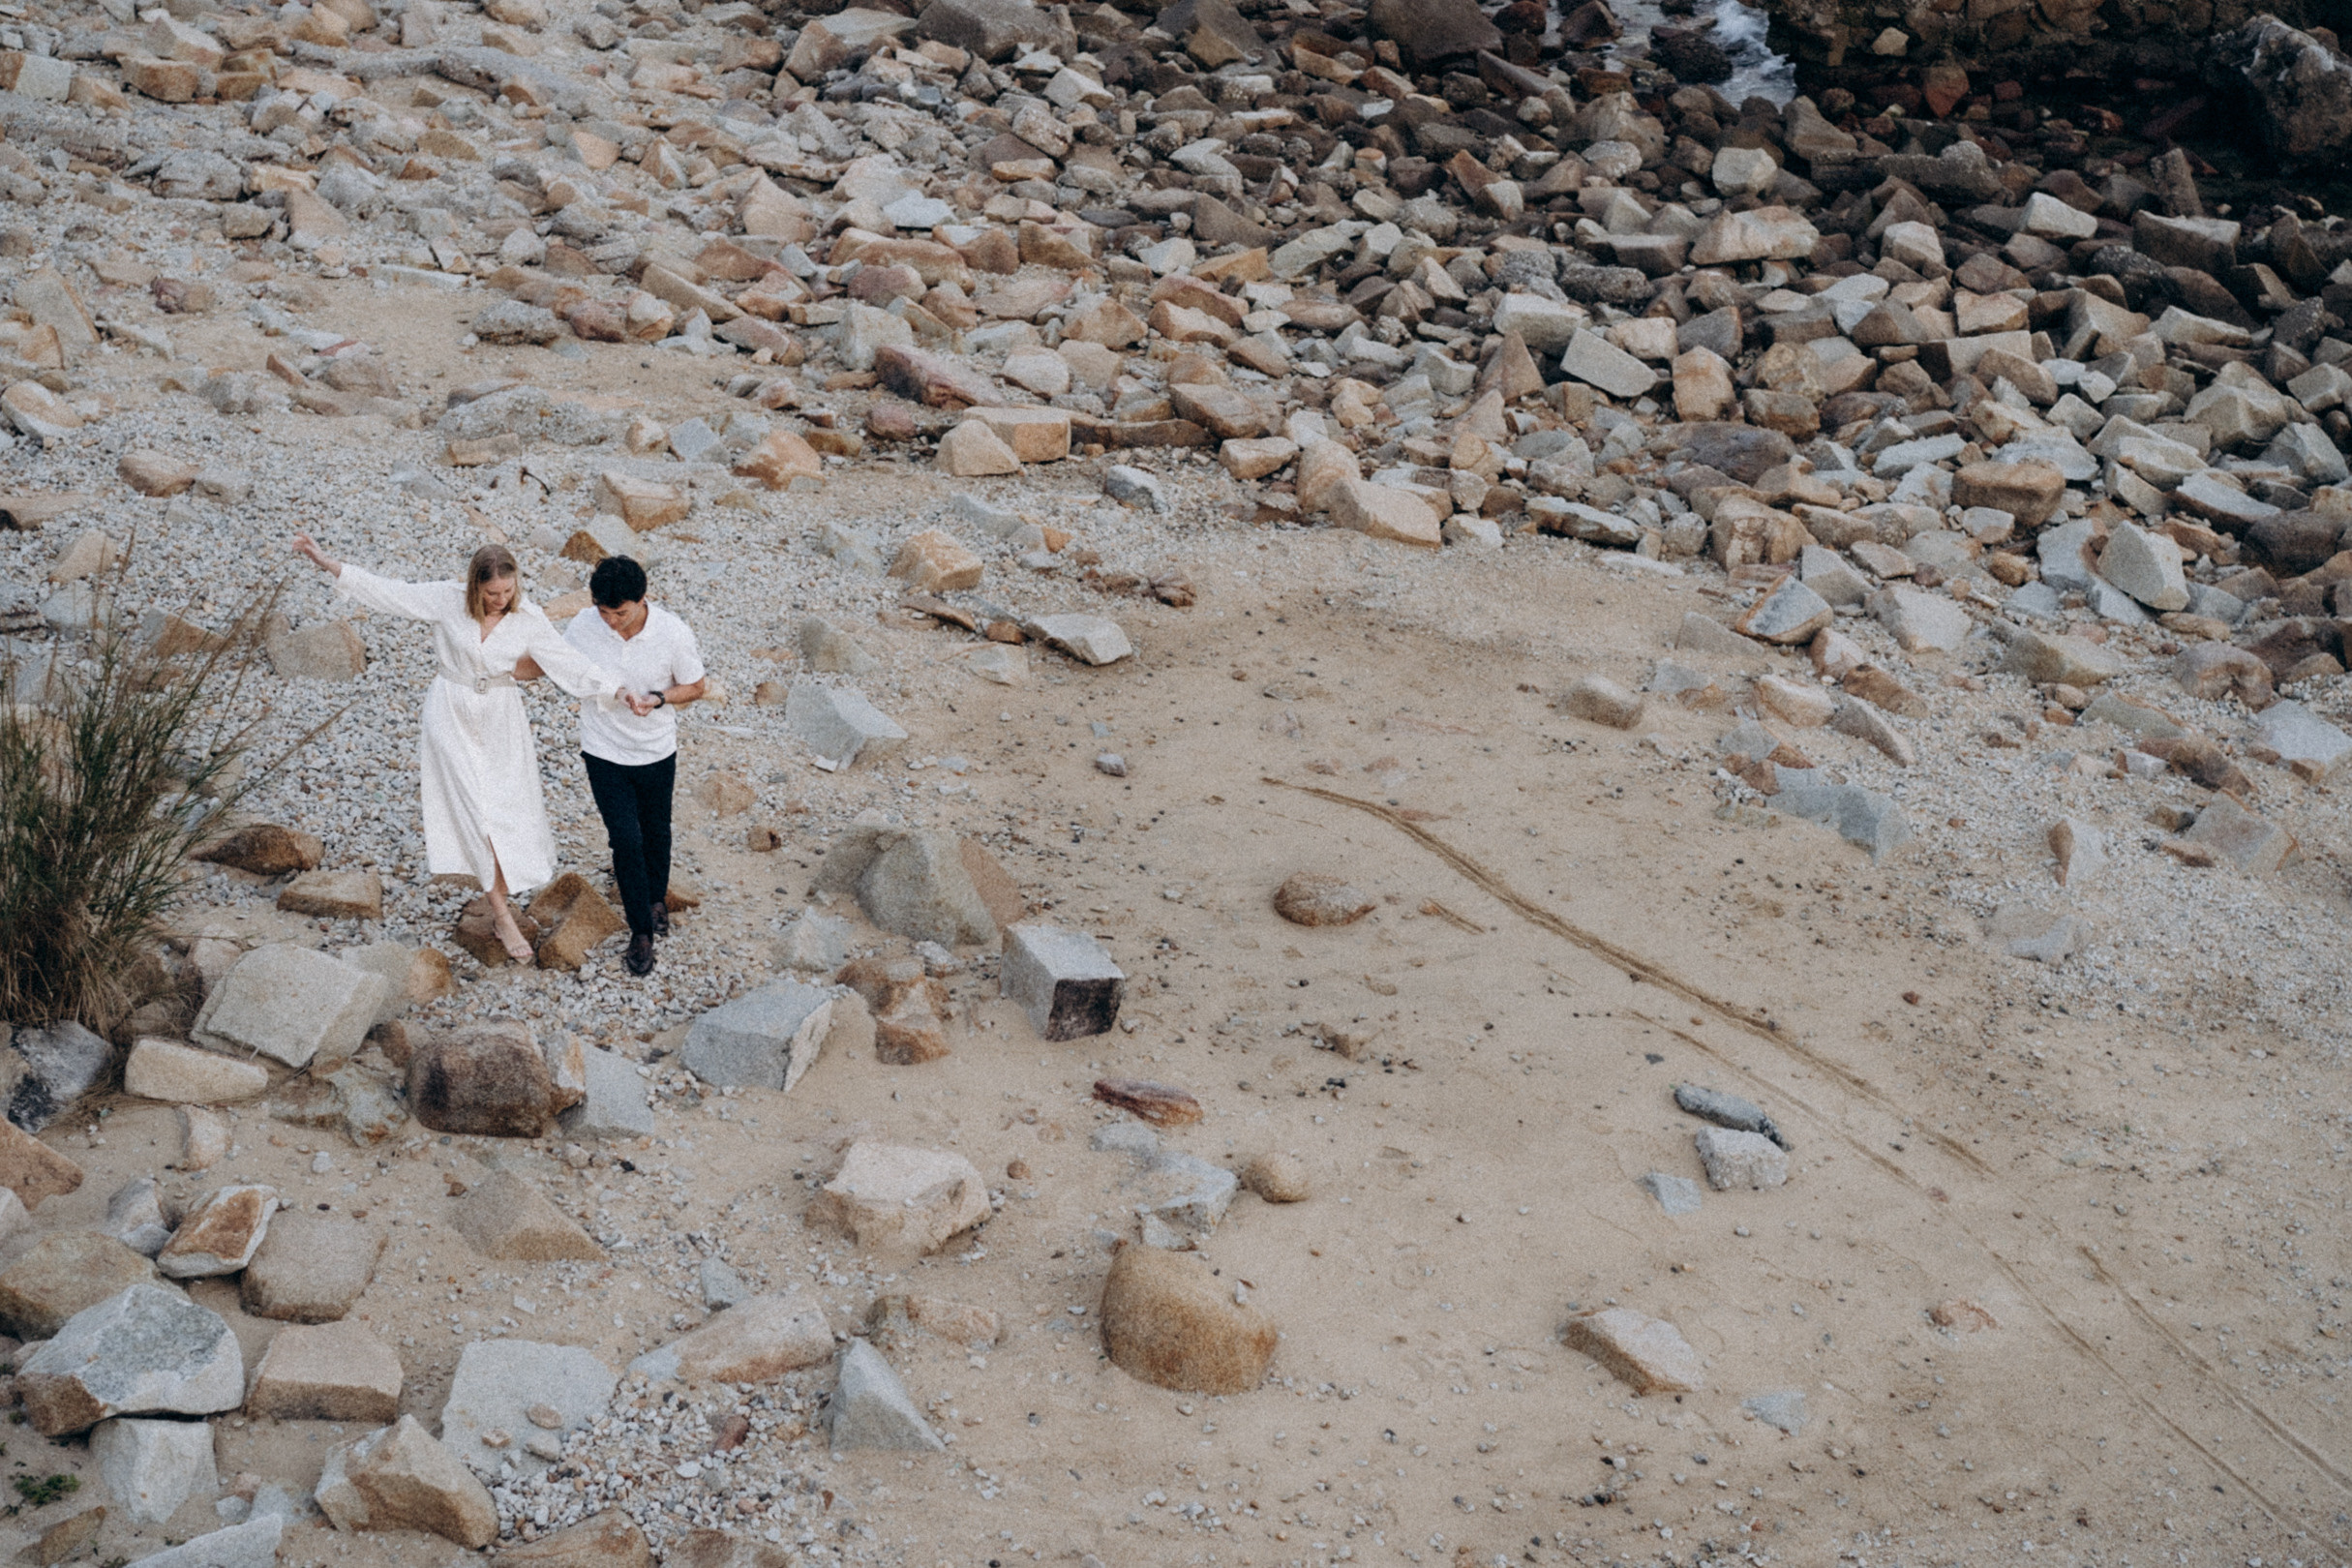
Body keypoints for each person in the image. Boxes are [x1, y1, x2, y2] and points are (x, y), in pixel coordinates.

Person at [290, 534, 653, 965]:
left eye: (508, 590)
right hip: (451, 711)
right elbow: (392, 594)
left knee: (503, 808)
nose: (501, 600)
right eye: (492, 593)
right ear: (474, 588)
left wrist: (618, 690)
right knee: (471, 812)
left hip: (501, 717)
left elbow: (567, 663)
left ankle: (501, 894)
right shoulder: (448, 600)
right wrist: (328, 562)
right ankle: (501, 912)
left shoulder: (527, 616)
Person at [521, 555, 705, 978]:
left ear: (643, 600)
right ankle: (641, 931)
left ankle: (656, 897)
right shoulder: (586, 625)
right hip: (603, 751)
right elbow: (556, 665)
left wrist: (658, 698)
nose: (610, 623)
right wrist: (495, 664)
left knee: (657, 831)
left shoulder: (673, 633)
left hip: (656, 749)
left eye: (619, 613)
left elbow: (695, 686)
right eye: (604, 612)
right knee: (625, 839)